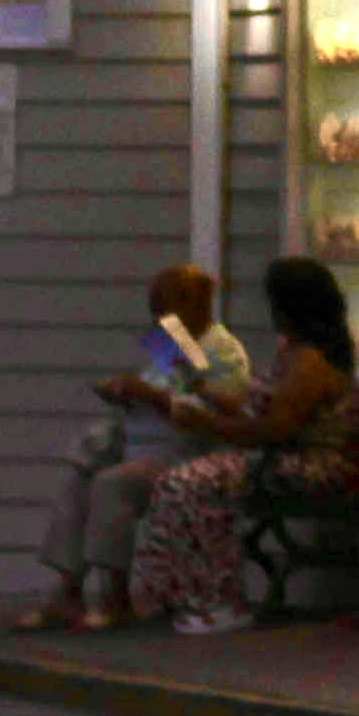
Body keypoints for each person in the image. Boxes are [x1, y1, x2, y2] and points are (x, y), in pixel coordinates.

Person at [125, 256, 359, 635]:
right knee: (175, 479)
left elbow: (273, 430)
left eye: (167, 305)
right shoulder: (289, 351)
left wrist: (204, 419)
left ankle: (216, 599)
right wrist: (196, 393)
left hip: (303, 463)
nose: (160, 315)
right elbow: (232, 397)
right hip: (255, 452)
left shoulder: (278, 358)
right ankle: (171, 592)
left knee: (189, 483)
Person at [22, 262, 249, 632]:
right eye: (156, 312)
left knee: (112, 484)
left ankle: (115, 598)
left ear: (196, 304)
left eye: (166, 310)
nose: (160, 320)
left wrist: (152, 396)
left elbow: (214, 411)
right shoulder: (174, 344)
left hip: (182, 453)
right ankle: (68, 591)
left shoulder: (223, 352)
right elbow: (162, 387)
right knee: (80, 474)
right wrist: (126, 393)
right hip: (140, 442)